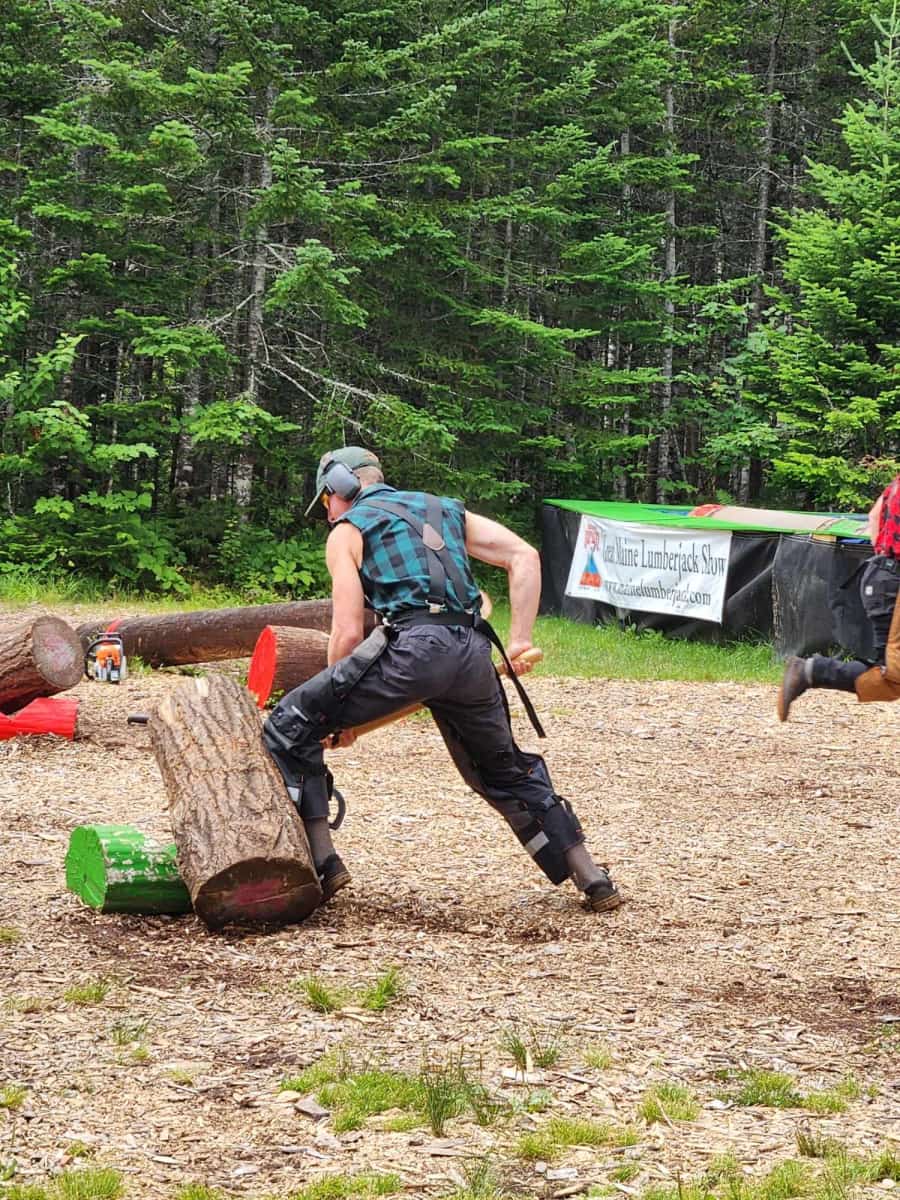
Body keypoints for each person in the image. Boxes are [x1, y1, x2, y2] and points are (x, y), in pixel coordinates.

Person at [262, 446, 622, 913]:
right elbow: (524, 556)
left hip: (413, 649)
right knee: (503, 769)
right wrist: (518, 642)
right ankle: (591, 877)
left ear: (339, 488)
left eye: (326, 503)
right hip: (473, 651)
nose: (327, 515)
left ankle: (324, 863)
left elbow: (349, 629)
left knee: (289, 724)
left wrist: (335, 707)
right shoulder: (444, 510)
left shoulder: (349, 531)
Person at [778, 473, 900, 719]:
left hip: (883, 575)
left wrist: (885, 560)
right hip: (892, 581)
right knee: (890, 676)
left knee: (889, 676)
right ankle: (811, 671)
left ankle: (811, 671)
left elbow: (875, 515)